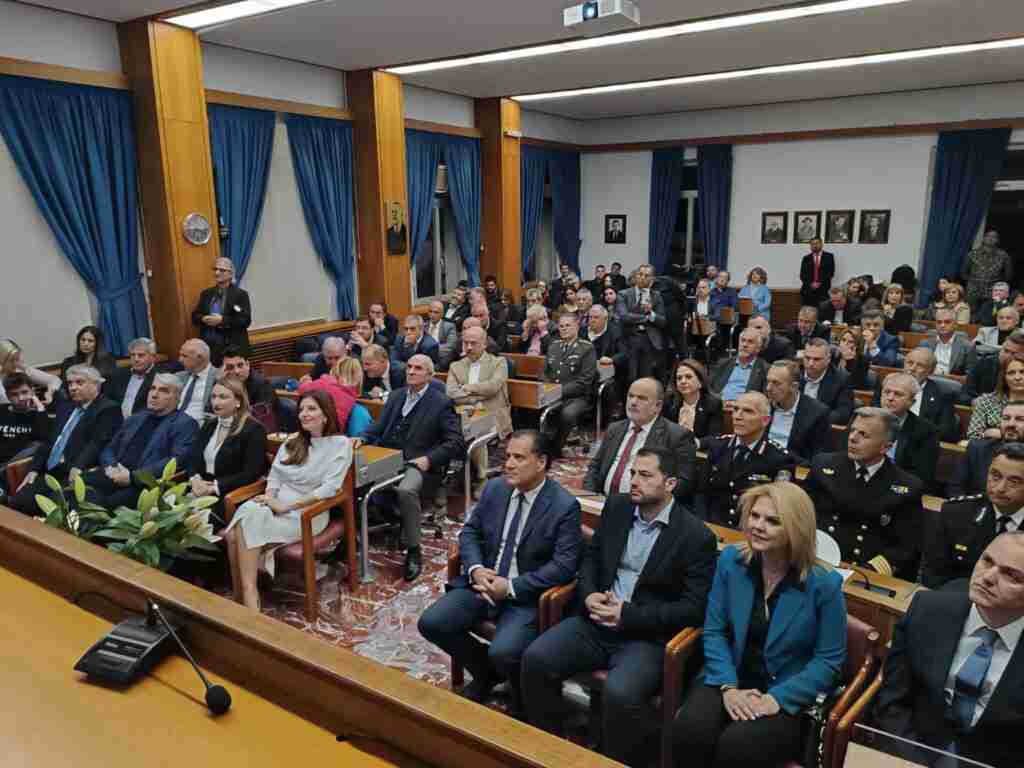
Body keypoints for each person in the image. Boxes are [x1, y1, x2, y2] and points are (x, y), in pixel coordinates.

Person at [521, 448, 718, 767]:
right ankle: (549, 751)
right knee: (536, 659)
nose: (634, 481)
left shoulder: (696, 536)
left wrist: (628, 615)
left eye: (645, 475)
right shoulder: (618, 507)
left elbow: (692, 609)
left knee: (621, 693)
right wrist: (588, 594)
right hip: (595, 622)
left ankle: (619, 760)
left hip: (645, 637)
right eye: (633, 473)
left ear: (669, 484)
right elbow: (591, 559)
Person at [673, 482, 847, 768]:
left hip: (785, 693)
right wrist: (729, 687)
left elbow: (829, 660)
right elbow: (715, 631)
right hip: (728, 676)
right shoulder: (731, 561)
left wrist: (775, 699)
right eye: (754, 516)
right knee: (690, 729)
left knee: (737, 747)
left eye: (772, 521)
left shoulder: (824, 585)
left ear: (796, 529)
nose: (758, 526)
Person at [418, 430, 582, 707]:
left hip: (525, 596)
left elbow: (564, 566)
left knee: (503, 651)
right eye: (507, 456)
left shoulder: (564, 506)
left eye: (519, 458)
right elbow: (470, 532)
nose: (509, 464)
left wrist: (512, 587)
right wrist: (476, 569)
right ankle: (486, 673)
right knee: (432, 623)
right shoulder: (496, 488)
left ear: (541, 462)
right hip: (483, 584)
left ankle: (523, 701)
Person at [871, 533, 1024, 768]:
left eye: (1011, 575)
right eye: (987, 561)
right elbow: (892, 702)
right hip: (911, 752)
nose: (988, 577)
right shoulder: (927, 610)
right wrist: (911, 761)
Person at [222, 389, 352, 611]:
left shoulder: (340, 444)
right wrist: (270, 500)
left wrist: (287, 506)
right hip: (275, 508)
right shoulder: (293, 441)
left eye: (311, 409)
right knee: (248, 515)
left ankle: (244, 595)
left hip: (308, 515)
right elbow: (275, 477)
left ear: (326, 414)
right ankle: (248, 593)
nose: (304, 414)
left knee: (236, 533)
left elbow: (330, 489)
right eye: (301, 409)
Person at [357, 354, 465, 581]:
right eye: (409, 367)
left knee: (406, 490)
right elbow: (379, 426)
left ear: (430, 375)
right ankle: (352, 537)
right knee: (352, 476)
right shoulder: (396, 396)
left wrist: (429, 459)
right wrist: (363, 437)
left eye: (418, 368)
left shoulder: (441, 402)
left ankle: (414, 550)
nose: (411, 371)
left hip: (418, 463)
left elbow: (455, 442)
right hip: (388, 456)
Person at [804, 407, 923, 579]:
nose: (852, 438)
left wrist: (865, 573)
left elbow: (905, 547)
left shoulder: (906, 487)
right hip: (816, 559)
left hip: (863, 572)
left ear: (885, 447)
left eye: (864, 435)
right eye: (853, 430)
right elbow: (801, 515)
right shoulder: (823, 465)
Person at [7, 365, 122, 514]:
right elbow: (48, 441)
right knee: (18, 502)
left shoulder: (108, 409)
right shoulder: (65, 407)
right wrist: (33, 470)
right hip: (50, 471)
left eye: (79, 382)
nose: (73, 387)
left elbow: (97, 443)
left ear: (96, 384)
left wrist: (78, 466)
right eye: (70, 383)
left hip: (76, 473)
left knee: (55, 510)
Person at [79, 373, 197, 510]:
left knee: (107, 502)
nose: (154, 395)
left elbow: (176, 461)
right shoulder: (136, 417)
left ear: (177, 397)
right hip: (115, 474)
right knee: (76, 483)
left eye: (163, 391)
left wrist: (132, 477)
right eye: (153, 388)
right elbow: (109, 448)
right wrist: (111, 467)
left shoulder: (185, 424)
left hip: (144, 484)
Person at [922, 444, 1024, 590]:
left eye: (1014, 482)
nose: (1000, 488)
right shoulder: (956, 513)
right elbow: (933, 574)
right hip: (958, 598)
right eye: (995, 476)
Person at [584, 377, 697, 500]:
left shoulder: (677, 436)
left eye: (642, 398)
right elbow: (595, 466)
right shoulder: (614, 428)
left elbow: (683, 483)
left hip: (646, 506)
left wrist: (647, 502)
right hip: (602, 500)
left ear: (658, 406)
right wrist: (590, 497)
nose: (633, 402)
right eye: (630, 396)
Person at [699, 392, 795, 528]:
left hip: (751, 531)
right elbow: (701, 493)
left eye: (748, 411)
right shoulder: (718, 447)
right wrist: (702, 525)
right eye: (735, 409)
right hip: (711, 525)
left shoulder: (780, 459)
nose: (738, 416)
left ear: (765, 420)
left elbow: (779, 509)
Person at [183, 377, 267, 520]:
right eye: (213, 397)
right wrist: (195, 479)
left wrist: (214, 487)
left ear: (238, 401)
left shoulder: (253, 429)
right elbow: (192, 458)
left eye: (223, 397)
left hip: (229, 494)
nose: (216, 402)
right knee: (165, 514)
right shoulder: (209, 425)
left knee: (191, 522)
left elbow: (252, 472)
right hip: (199, 489)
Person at [446, 326, 512, 498]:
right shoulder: (456, 366)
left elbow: (493, 386)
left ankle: (482, 477)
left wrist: (467, 388)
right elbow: (451, 393)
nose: (468, 347)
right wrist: (475, 399)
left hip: (493, 415)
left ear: (484, 344)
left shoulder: (499, 363)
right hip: (464, 413)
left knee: (477, 430)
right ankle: (446, 478)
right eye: (465, 343)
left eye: (473, 343)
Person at [542, 313, 597, 459]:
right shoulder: (553, 346)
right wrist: (547, 388)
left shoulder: (587, 348)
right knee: (531, 408)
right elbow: (545, 373)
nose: (564, 329)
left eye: (568, 325)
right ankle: (539, 445)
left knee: (567, 414)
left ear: (577, 327)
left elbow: (584, 382)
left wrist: (557, 391)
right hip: (552, 393)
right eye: (561, 326)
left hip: (578, 397)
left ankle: (555, 448)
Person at [878, 372, 941, 492]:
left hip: (897, 489)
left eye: (898, 394)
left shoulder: (927, 431)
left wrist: (891, 489)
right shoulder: (862, 418)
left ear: (912, 402)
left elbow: (922, 478)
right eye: (887, 392)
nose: (890, 398)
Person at [950, 402, 1024, 498]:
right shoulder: (977, 449)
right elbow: (955, 489)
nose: (1011, 424)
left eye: (1020, 419)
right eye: (1006, 418)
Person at [765, 360, 832, 466]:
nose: (768, 388)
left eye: (776, 383)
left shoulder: (817, 413)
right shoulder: (763, 405)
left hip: (791, 467)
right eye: (768, 381)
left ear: (794, 387)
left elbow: (817, 459)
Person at [887, 347, 960, 442]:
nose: (912, 369)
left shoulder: (942, 395)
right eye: (910, 363)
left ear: (931, 371)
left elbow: (947, 432)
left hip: (919, 443)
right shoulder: (888, 386)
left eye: (920, 365)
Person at [191, 257, 252, 365]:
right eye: (215, 269)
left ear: (231, 274)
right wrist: (204, 318)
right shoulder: (206, 294)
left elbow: (244, 321)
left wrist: (222, 320)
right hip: (209, 349)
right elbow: (195, 316)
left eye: (222, 270)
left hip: (232, 348)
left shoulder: (240, 295)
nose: (217, 273)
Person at [616, 263, 667, 383]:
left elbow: (662, 321)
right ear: (636, 276)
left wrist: (651, 313)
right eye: (640, 274)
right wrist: (647, 317)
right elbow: (624, 317)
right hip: (629, 338)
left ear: (652, 279)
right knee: (632, 377)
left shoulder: (656, 296)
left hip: (649, 339)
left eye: (646, 275)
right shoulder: (623, 294)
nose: (642, 277)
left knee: (646, 378)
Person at [0, 372, 49, 476]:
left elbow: (44, 441)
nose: (21, 398)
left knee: (37, 445)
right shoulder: (1, 411)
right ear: (8, 396)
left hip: (19, 466)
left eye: (24, 392)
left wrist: (40, 409)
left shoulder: (39, 414)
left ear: (32, 391)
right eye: (14, 394)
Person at [663, 359, 725, 440]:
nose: (683, 381)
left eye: (688, 377)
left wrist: (694, 443)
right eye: (679, 378)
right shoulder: (669, 402)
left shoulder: (713, 404)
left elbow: (713, 437)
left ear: (700, 382)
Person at [968, 353, 1024, 440]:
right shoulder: (987, 401)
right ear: (1004, 377)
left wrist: (999, 433)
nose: (1017, 377)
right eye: (1011, 373)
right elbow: (973, 435)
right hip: (991, 447)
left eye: (1022, 372)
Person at [298, 356, 360, 433]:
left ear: (334, 369)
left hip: (316, 429)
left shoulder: (325, 382)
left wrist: (306, 382)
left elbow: (302, 389)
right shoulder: (351, 395)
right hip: (335, 432)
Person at [800, 338, 854, 425]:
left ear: (828, 359)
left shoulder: (842, 379)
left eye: (817, 359)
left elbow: (842, 414)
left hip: (820, 427)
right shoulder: (794, 374)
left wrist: (812, 419)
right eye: (807, 358)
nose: (811, 363)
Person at [962, 331, 1024, 404]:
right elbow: (964, 394)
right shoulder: (984, 363)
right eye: (1005, 351)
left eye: (1013, 353)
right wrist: (973, 401)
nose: (1007, 356)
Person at [105, 337, 159, 420]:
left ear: (153, 357)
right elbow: (108, 400)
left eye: (141, 355)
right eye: (133, 355)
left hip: (142, 422)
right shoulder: (118, 375)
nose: (136, 359)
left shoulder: (160, 377)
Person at [710, 328, 768, 403]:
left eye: (750, 342)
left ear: (758, 348)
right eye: (742, 340)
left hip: (744, 406)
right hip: (719, 404)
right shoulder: (724, 363)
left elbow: (764, 398)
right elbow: (710, 388)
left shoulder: (764, 369)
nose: (744, 345)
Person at [0, 339, 61, 406]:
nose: (16, 363)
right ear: (2, 361)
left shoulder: (20, 369)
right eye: (11, 360)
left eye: (17, 359)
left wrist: (50, 393)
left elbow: (55, 380)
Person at [961, 229, 1012, 308]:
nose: (990, 238)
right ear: (983, 238)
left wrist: (997, 283)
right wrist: (973, 281)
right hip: (973, 292)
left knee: (989, 314)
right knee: (970, 313)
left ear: (997, 240)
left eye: (994, 237)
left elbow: (1008, 275)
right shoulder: (972, 254)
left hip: (993, 292)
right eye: (988, 236)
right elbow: (963, 273)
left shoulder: (1004, 256)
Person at [919, 307, 977, 376]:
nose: (942, 325)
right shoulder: (925, 344)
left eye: (947, 322)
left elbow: (970, 376)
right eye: (939, 322)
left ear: (955, 325)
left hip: (951, 381)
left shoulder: (968, 347)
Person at [176, 339, 219, 424]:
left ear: (200, 358)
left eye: (184, 356)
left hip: (198, 424)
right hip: (173, 421)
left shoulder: (219, 378)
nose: (180, 360)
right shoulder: (178, 376)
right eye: (180, 355)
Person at [799, 238, 835, 308]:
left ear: (821, 244)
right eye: (812, 244)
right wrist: (811, 284)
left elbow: (831, 273)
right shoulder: (806, 258)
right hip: (808, 291)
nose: (815, 245)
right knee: (808, 312)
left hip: (823, 290)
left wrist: (819, 283)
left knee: (822, 312)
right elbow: (802, 275)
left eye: (817, 243)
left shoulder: (829, 256)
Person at [425, 300, 458, 368]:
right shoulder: (423, 326)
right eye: (430, 311)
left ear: (442, 314)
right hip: (424, 358)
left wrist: (431, 350)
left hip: (440, 358)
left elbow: (451, 346)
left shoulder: (449, 326)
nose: (432, 315)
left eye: (436, 312)